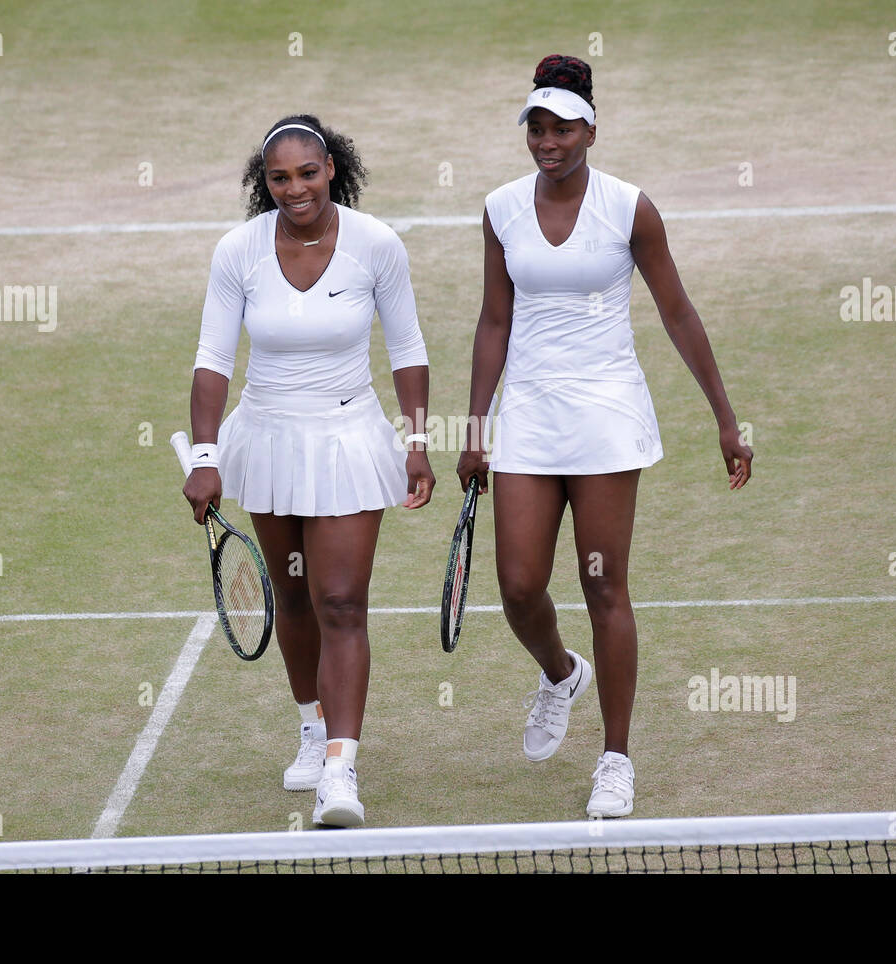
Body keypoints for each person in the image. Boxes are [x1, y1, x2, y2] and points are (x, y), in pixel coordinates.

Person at [456, 55, 752, 818]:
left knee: (602, 582)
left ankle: (615, 758)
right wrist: (475, 425)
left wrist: (726, 418)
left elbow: (677, 313)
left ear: (591, 127)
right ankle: (560, 674)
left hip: (606, 418)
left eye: (562, 127)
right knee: (519, 585)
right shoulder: (500, 209)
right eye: (536, 128)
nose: (547, 141)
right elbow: (495, 320)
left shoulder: (630, 210)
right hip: (525, 416)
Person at [184, 113, 435, 828]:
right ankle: (311, 725)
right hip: (265, 438)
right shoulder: (238, 251)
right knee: (292, 599)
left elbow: (409, 348)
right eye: (279, 178)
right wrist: (206, 458)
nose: (295, 189)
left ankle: (340, 771)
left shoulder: (377, 245)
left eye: (308, 173)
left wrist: (416, 443)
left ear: (333, 168)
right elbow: (212, 360)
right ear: (264, 184)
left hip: (349, 436)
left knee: (342, 602)